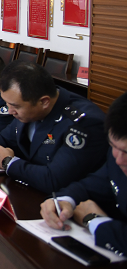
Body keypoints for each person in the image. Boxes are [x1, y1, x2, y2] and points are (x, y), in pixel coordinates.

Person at [0, 61, 107, 195]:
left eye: (15, 106)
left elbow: (54, 179)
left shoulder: (84, 123)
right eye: (7, 103)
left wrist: (8, 163)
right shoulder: (28, 104)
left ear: (44, 102)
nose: (9, 111)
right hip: (28, 190)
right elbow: (6, 136)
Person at [41, 93, 127, 256]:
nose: (118, 159)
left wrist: (92, 219)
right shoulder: (117, 155)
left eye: (126, 151)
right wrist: (63, 201)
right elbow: (91, 185)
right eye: (113, 145)